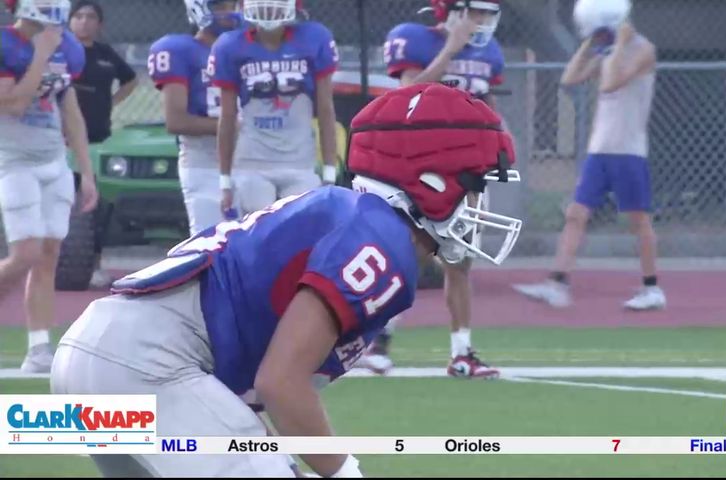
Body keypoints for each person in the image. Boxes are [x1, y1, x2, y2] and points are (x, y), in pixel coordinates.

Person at [49, 83, 521, 477]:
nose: (479, 207)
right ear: (432, 179)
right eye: (476, 186)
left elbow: (251, 389)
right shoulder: (382, 240)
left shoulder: (357, 218)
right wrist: (343, 471)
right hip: (147, 365)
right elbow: (280, 382)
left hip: (104, 357)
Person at [358, 0, 511, 379]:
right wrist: (451, 48)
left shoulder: (489, 52)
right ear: (450, 10)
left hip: (466, 169)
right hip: (419, 167)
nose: (482, 21)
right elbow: (408, 94)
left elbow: (486, 105)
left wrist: (498, 145)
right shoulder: (414, 39)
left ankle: (462, 354)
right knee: (409, 257)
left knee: (460, 261)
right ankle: (378, 342)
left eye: (487, 13)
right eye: (475, 11)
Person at [512, 0, 666, 311]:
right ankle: (557, 284)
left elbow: (610, 84)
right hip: (600, 150)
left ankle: (652, 289)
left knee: (638, 221)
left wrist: (617, 45)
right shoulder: (605, 50)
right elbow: (569, 79)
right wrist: (588, 46)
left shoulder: (641, 50)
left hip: (628, 151)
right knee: (575, 214)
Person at [0, 0, 98, 373]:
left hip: (53, 160)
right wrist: (40, 55)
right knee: (24, 254)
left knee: (48, 255)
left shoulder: (67, 45)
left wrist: (85, 171)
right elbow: (13, 104)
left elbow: (69, 110)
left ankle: (39, 348)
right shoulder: (7, 44)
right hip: (14, 161)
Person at [211, 0, 340, 221]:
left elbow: (326, 109)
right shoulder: (230, 45)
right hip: (252, 162)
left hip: (300, 162)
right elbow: (227, 116)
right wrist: (224, 180)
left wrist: (330, 170)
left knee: (298, 236)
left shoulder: (314, 38)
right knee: (261, 235)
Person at [148, 0, 242, 236]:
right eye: (221, 5)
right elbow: (176, 121)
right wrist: (234, 127)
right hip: (204, 160)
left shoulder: (251, 49)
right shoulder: (181, 50)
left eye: (235, 4)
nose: (230, 12)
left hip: (253, 159)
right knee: (210, 245)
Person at [67, 0, 138, 289]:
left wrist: (111, 100)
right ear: (70, 21)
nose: (84, 21)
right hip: (62, 141)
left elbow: (131, 80)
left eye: (90, 17)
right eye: (79, 16)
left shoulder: (106, 54)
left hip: (98, 140)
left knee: (93, 204)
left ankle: (94, 262)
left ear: (100, 24)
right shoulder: (60, 52)